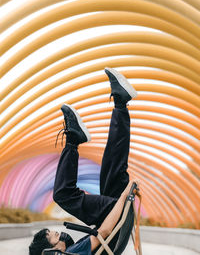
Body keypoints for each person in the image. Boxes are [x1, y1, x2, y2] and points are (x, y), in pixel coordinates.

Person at [29, 67, 138, 255]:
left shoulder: (72, 250)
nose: (56, 232)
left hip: (114, 220)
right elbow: (102, 232)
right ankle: (72, 140)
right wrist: (124, 196)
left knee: (112, 168)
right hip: (113, 216)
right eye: (51, 236)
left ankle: (120, 104)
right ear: (50, 251)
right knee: (62, 195)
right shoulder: (72, 253)